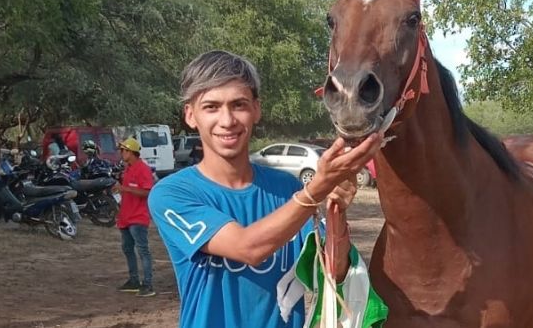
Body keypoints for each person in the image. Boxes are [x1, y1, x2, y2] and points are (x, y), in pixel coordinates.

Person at [148, 50, 383, 328]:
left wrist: (336, 211)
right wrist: (316, 190)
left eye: (239, 105)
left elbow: (333, 271)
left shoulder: (286, 189)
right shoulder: (172, 194)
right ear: (190, 115)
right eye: (211, 107)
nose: (227, 121)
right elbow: (248, 248)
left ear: (256, 110)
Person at [115, 137, 156, 297]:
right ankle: (133, 280)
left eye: (123, 150)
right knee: (127, 248)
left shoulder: (142, 169)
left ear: (132, 152)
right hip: (126, 217)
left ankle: (148, 284)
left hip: (138, 218)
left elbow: (147, 192)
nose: (121, 153)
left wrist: (125, 189)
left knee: (142, 250)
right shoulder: (128, 169)